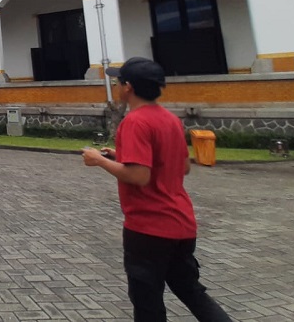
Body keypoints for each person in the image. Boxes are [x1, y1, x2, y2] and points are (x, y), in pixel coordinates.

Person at [83, 57, 232, 322]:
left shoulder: (135, 122)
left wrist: (100, 160)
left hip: (149, 229)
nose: (117, 87)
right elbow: (182, 166)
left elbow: (139, 176)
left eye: (118, 82)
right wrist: (122, 155)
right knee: (192, 293)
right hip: (182, 225)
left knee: (147, 303)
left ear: (128, 87)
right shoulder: (170, 119)